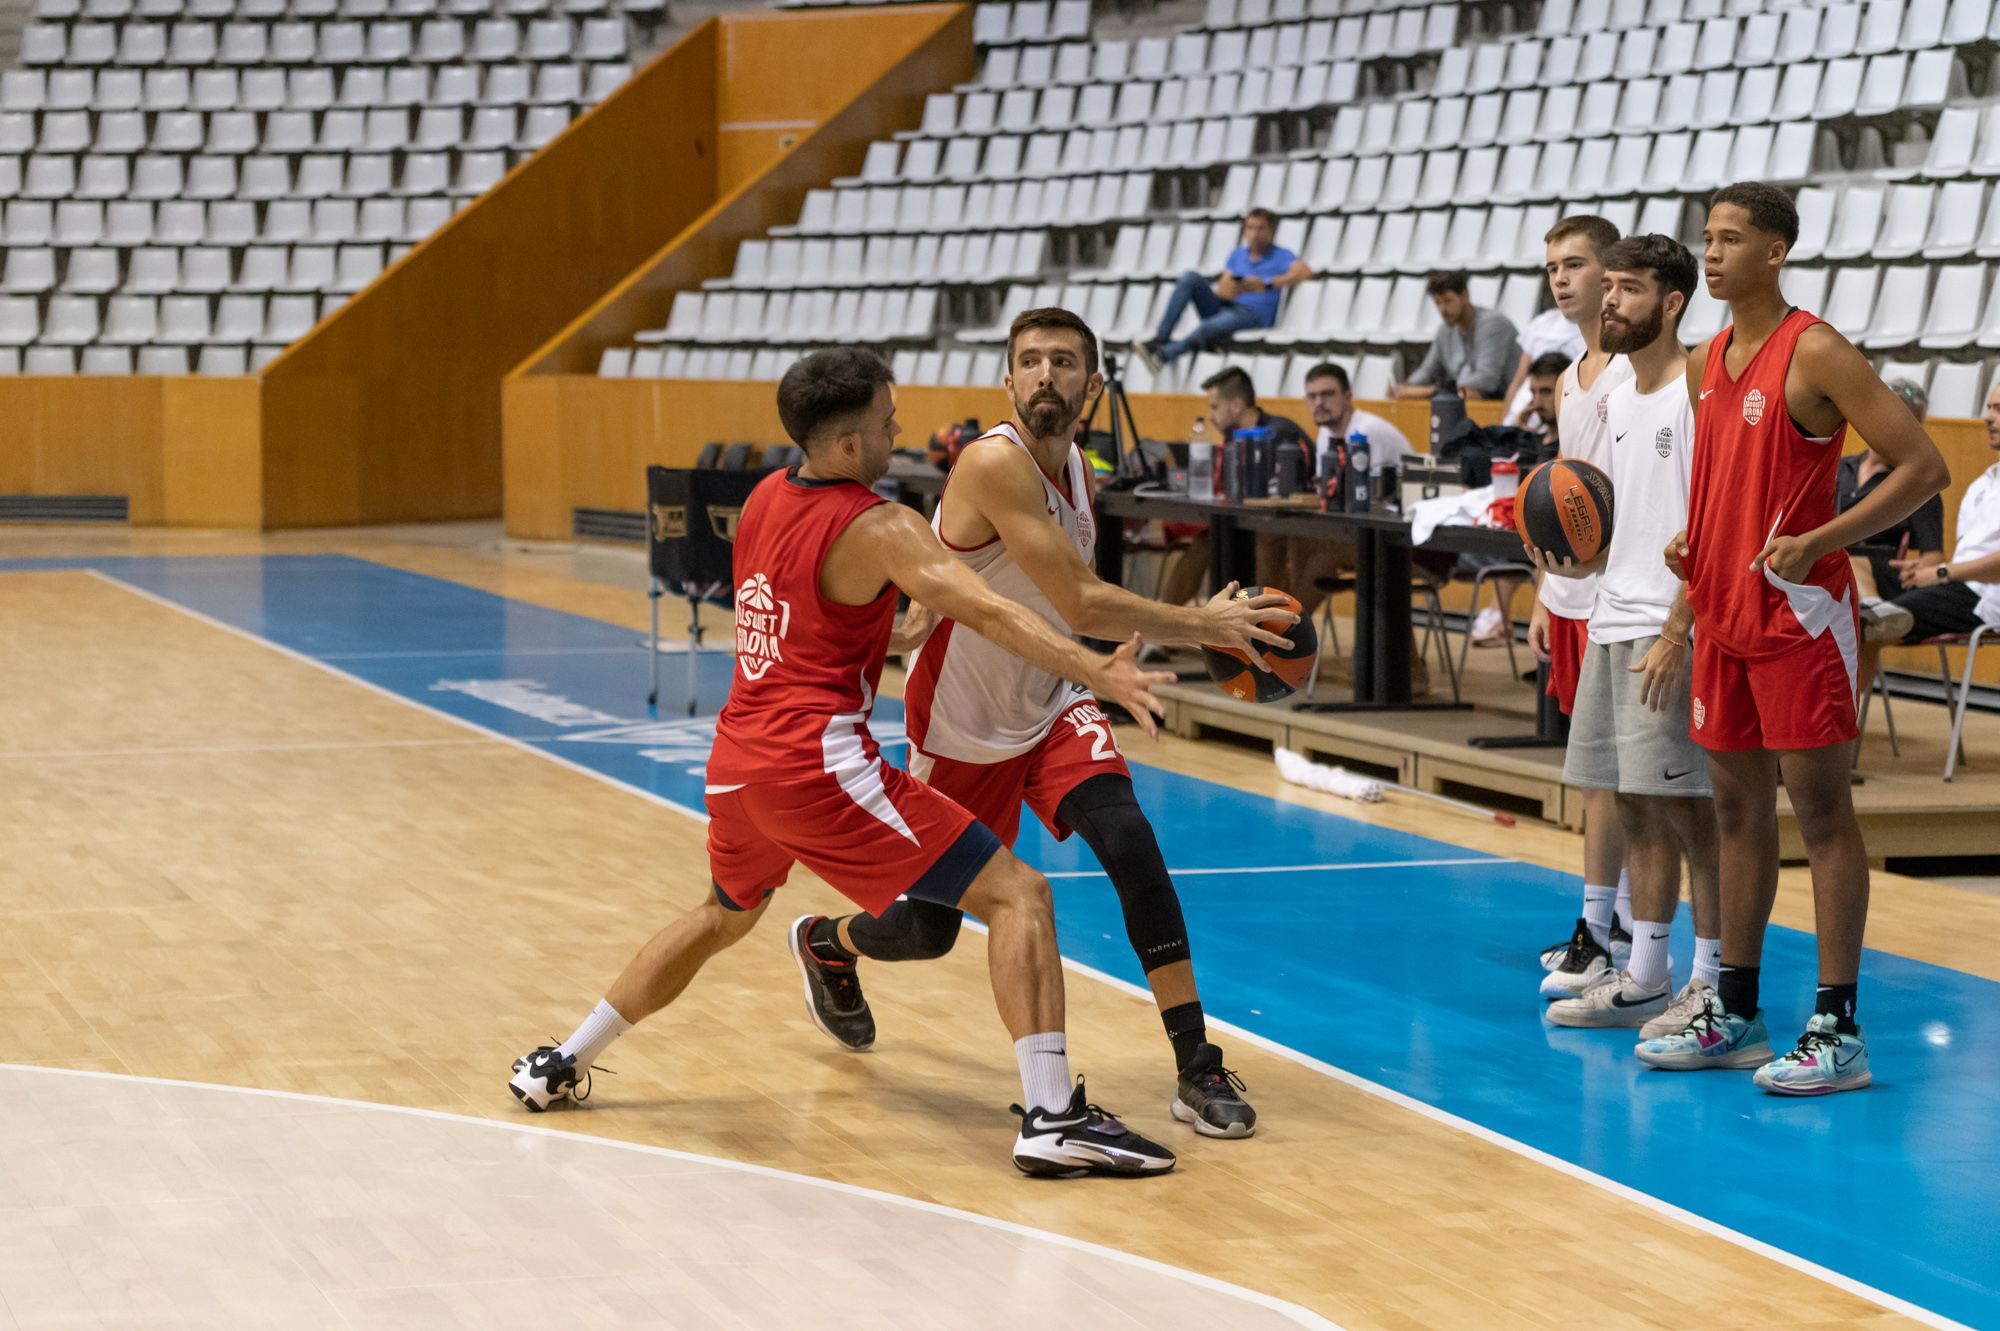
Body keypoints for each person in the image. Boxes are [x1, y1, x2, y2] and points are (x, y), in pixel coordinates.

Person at [508, 347, 1187, 1178]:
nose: (897, 426)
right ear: (844, 447)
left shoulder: (764, 496)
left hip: (736, 763)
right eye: (884, 420)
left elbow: (809, 610)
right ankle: (1052, 1116)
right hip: (816, 763)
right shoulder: (881, 523)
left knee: (724, 913)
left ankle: (563, 1058)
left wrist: (889, 632)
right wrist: (1097, 669)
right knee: (1020, 893)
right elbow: (989, 608)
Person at [797, 310, 1296, 1138]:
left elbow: (1061, 600)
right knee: (925, 931)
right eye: (1028, 361)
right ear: (1007, 382)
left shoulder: (1078, 469)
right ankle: (830, 942)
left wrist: (1094, 668)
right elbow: (1081, 602)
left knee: (1133, 845)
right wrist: (1203, 624)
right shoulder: (995, 461)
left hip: (1053, 696)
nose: (1044, 376)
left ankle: (1196, 1065)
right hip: (961, 720)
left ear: (1092, 386)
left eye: (1064, 363)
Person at [1641, 181, 1948, 1094]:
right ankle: (1733, 1008)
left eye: (1732, 239)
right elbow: (1723, 482)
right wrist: (1696, 547)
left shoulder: (1814, 349)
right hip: (1726, 615)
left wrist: (1822, 540)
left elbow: (1923, 465)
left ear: (1774, 253)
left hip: (1802, 619)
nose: (1713, 254)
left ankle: (1837, 1027)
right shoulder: (1703, 361)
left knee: (1820, 817)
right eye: (1708, 238)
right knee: (1735, 814)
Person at [1527, 234, 1723, 1040]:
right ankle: (1644, 969)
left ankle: (1712, 981)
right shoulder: (1609, 396)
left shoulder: (1694, 393)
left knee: (1690, 810)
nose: (1609, 301)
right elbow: (1603, 518)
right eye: (1606, 286)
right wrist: (1559, 560)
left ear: (1671, 302)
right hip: (1611, 612)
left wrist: (1681, 625)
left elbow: (1709, 524)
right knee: (1633, 805)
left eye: (1629, 289)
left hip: (1665, 629)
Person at [1525, 215, 1638, 1000]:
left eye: (1576, 264)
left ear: (1613, 273)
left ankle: (1612, 926)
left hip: (1626, 594)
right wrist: (1545, 588)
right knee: (1594, 772)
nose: (1562, 279)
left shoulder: (1640, 374)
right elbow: (1571, 493)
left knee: (1622, 776)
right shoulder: (1569, 375)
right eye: (1553, 267)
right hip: (1573, 593)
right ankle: (1607, 918)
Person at [1853, 379, 2000, 699]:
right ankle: (1877, 610)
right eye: (1988, 407)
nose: (1988, 417)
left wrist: (1941, 572)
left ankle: (1836, 731)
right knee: (1854, 588)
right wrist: (1929, 573)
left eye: (1998, 409)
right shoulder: (1983, 484)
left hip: (1983, 599)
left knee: (1860, 627)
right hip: (1956, 587)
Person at [1157, 365, 1312, 607]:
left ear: (1236, 405)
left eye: (1214, 406)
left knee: (1266, 542)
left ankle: (1269, 630)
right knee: (1204, 543)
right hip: (1243, 525)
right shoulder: (1231, 440)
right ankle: (1162, 629)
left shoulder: (1280, 433)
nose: (1210, 415)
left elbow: (1295, 493)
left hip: (1292, 529)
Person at [1132, 208, 1312, 371]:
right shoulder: (1237, 254)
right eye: (1250, 228)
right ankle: (1161, 339)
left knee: (1207, 326)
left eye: (1260, 228)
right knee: (1190, 278)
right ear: (1244, 231)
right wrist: (1233, 288)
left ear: (1271, 231)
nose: (1255, 233)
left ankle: (1163, 355)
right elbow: (1222, 289)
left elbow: (1305, 272)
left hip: (1254, 314)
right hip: (1229, 307)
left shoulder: (1281, 254)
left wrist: (1267, 284)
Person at [1841, 378, 1947, 653]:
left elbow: (1932, 558)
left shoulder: (1918, 484)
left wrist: (1920, 570)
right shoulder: (1839, 467)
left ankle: (1874, 611)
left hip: (1884, 574)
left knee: (1847, 563)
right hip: (1826, 561)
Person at [1392, 270, 1522, 401]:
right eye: (1437, 303)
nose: (1442, 309)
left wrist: (1437, 391)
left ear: (1465, 296)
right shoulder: (1444, 331)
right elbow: (1427, 371)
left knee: (1467, 394)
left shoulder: (1493, 324)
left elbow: (1487, 379)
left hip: (1505, 400)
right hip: (1459, 396)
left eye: (1447, 301)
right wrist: (1406, 387)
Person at [1504, 306, 1588, 426]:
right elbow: (1518, 381)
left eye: (1546, 392)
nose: (1561, 286)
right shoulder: (1542, 322)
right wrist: (1504, 424)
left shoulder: (1603, 329)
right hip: (1516, 424)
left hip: (1556, 429)